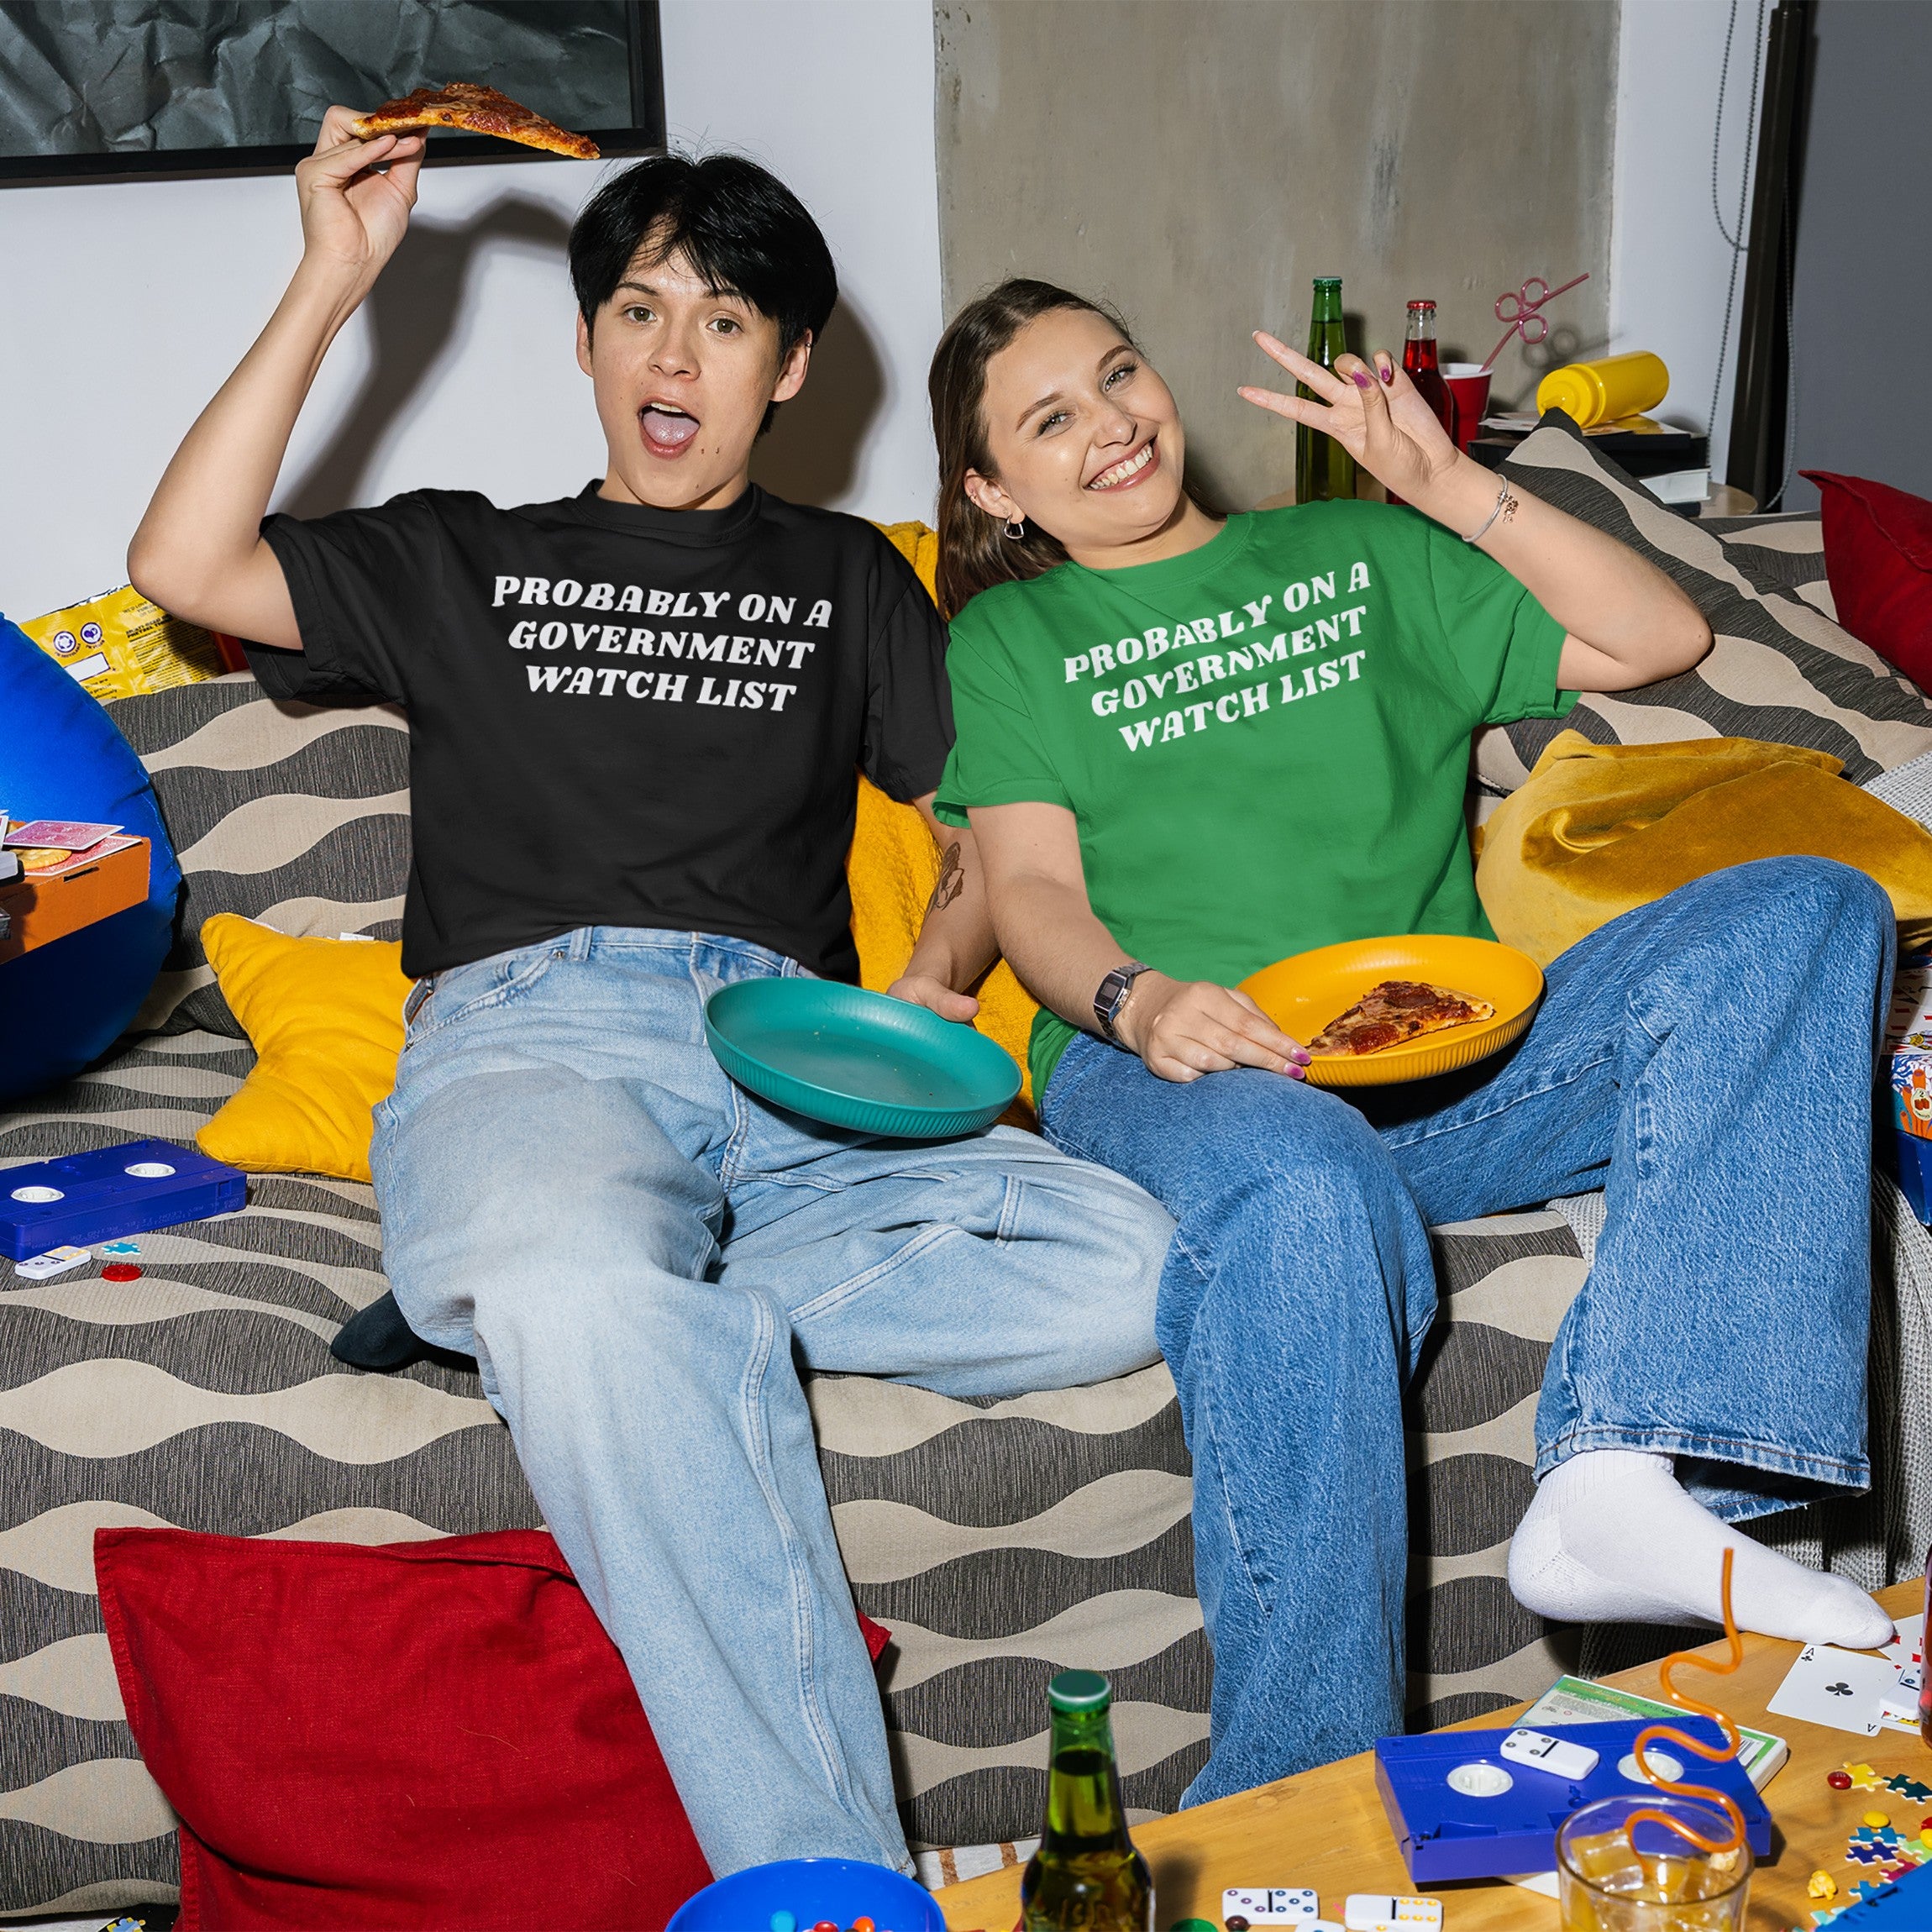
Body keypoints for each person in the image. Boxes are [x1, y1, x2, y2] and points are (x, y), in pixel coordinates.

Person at [128, 125, 1178, 1874]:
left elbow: (994, 833)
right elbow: (185, 562)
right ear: (590, 344)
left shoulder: (855, 583)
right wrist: (331, 280)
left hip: (791, 1065)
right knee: (570, 1270)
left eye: (725, 321)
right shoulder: (460, 557)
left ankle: (559, 1311)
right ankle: (831, 1892)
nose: (673, 354)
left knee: (1134, 1260)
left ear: (788, 370)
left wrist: (921, 995)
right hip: (537, 1038)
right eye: (637, 309)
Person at [928, 278, 1896, 1803]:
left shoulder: (1357, 554)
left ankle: (1622, 1474)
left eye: (1119, 373)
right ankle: (1292, 1805)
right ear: (993, 487)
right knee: (1308, 1187)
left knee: (1808, 913)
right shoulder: (1016, 640)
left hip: (1447, 1060)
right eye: (1051, 419)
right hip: (1185, 1068)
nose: (1112, 423)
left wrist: (1448, 484)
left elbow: (1656, 632)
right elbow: (1029, 889)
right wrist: (1135, 1000)